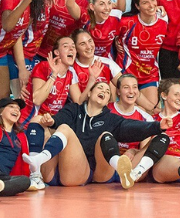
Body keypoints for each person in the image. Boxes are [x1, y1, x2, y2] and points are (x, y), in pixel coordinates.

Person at [22, 80, 171, 189]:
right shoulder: (74, 109)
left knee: (94, 133)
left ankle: (129, 170)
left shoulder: (110, 118)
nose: (104, 92)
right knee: (39, 120)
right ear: (90, 93)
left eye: (107, 92)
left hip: (80, 173)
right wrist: (50, 121)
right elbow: (58, 120)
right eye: (100, 88)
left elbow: (132, 127)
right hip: (55, 170)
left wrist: (158, 126)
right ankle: (35, 173)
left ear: (108, 101)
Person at [117, 0, 168, 106]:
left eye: (153, 0)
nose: (151, 5)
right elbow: (108, 33)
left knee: (152, 110)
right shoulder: (127, 22)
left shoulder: (163, 18)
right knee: (132, 110)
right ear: (137, 6)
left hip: (149, 75)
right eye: (145, 2)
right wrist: (115, 40)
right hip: (127, 73)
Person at [19, 37, 81, 127]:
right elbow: (37, 100)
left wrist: (92, 80)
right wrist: (54, 75)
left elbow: (79, 101)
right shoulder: (43, 66)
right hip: (29, 122)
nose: (71, 49)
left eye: (73, 47)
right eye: (66, 46)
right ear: (57, 52)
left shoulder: (70, 73)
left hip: (50, 122)